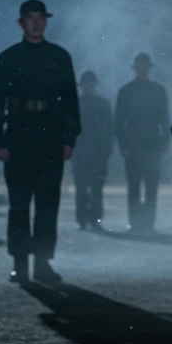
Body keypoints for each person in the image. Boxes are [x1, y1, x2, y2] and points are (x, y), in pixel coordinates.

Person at [0, 0, 80, 285]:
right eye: (30, 17)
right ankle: (19, 263)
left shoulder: (60, 56)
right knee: (19, 202)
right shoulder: (8, 58)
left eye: (40, 17)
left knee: (47, 202)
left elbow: (71, 101)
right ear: (21, 23)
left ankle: (42, 263)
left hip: (50, 133)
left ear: (46, 21)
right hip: (18, 133)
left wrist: (69, 137)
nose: (36, 22)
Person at [115, 53, 169, 232]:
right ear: (135, 68)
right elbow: (119, 121)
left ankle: (149, 223)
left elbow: (165, 119)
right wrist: (122, 144)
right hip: (132, 141)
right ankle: (135, 222)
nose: (142, 69)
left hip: (152, 140)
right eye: (139, 66)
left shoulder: (158, 90)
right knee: (134, 185)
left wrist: (165, 141)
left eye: (145, 66)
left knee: (152, 185)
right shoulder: (125, 91)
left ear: (149, 68)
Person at [72, 70, 113, 231]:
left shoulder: (103, 104)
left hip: (98, 152)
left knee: (96, 187)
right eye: (85, 84)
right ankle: (82, 219)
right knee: (81, 188)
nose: (87, 87)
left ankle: (95, 218)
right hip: (80, 152)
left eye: (90, 84)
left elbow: (109, 128)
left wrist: (107, 149)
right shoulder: (75, 104)